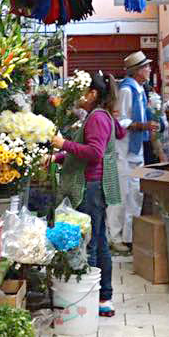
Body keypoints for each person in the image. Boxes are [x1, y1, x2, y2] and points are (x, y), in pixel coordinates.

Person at [52, 71, 124, 317]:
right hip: (94, 186)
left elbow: (94, 153)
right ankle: (104, 298)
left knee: (91, 244)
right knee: (100, 242)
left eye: (82, 92)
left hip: (91, 188)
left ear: (93, 93)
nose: (78, 97)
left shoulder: (96, 118)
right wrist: (59, 157)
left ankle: (92, 298)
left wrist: (63, 145)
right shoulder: (100, 116)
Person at [110, 51, 157, 254]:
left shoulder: (140, 90)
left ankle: (130, 236)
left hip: (136, 152)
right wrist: (142, 125)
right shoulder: (127, 91)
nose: (149, 69)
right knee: (121, 195)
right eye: (146, 66)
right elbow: (120, 121)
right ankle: (115, 236)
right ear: (137, 71)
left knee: (135, 195)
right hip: (125, 151)